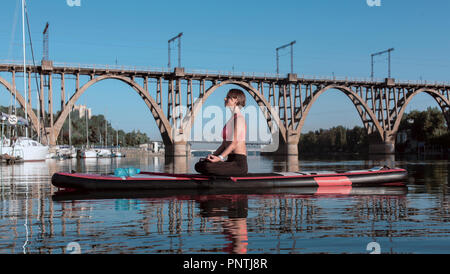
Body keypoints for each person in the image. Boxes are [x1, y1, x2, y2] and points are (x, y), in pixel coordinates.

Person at [194, 88, 248, 176]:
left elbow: (234, 143)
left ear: (236, 100)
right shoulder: (232, 119)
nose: (225, 99)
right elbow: (224, 145)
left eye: (228, 97)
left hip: (238, 164)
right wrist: (212, 156)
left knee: (207, 167)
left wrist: (219, 158)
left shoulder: (239, 119)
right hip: (230, 161)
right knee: (200, 165)